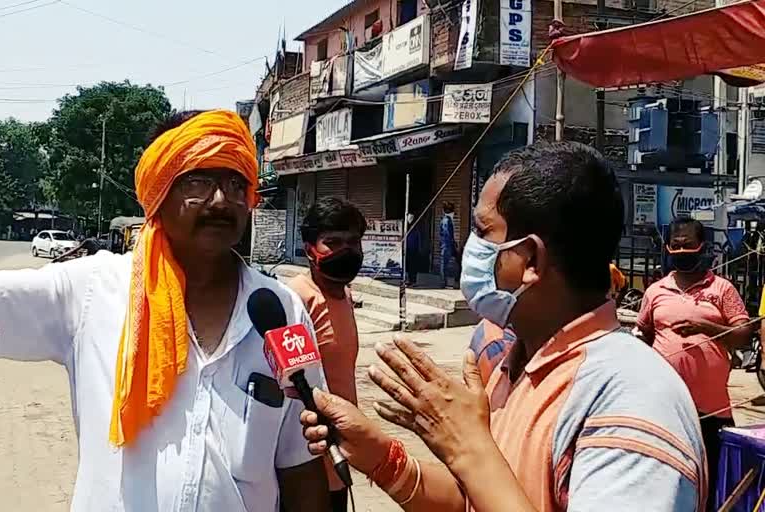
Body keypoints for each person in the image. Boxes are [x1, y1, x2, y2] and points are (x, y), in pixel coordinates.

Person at [300, 142, 707, 512]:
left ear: (529, 260)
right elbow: (476, 499)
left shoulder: (630, 400)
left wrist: (468, 448)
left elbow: (481, 474)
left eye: (481, 232)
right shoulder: (520, 366)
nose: (469, 249)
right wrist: (381, 456)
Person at [0, 110, 329, 512]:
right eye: (198, 181)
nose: (221, 201)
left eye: (235, 183)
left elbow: (300, 464)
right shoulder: (92, 291)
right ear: (159, 190)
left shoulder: (281, 310)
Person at [637, 217, 751, 508]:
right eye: (676, 245)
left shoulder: (722, 290)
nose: (682, 251)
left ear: (701, 247)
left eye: (688, 245)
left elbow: (743, 336)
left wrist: (706, 327)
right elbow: (644, 334)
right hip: (665, 408)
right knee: (666, 479)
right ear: (667, 248)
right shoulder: (655, 291)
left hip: (711, 409)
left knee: (712, 481)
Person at [287, 196, 366, 512]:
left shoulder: (345, 294)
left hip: (341, 452)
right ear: (310, 249)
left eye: (353, 242)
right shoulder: (297, 298)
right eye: (332, 242)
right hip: (308, 456)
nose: (345, 251)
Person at [439, 201, 460, 288]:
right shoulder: (446, 221)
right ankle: (444, 283)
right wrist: (452, 244)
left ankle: (454, 281)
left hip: (448, 245)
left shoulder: (447, 220)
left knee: (456, 262)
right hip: (447, 246)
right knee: (444, 265)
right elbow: (447, 234)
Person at [405, 212, 422, 287]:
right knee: (409, 265)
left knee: (413, 266)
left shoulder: (415, 227)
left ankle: (413, 281)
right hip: (408, 248)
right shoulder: (407, 227)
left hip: (414, 249)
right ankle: (409, 279)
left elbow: (417, 239)